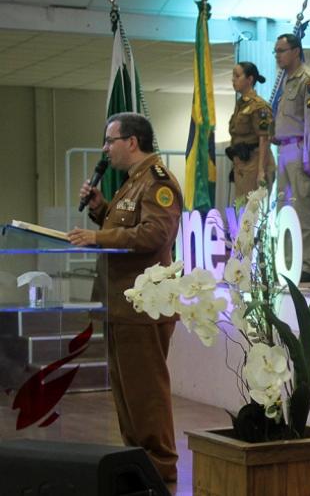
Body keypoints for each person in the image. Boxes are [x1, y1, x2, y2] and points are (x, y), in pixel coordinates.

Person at [68, 113, 182, 483]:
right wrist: (101, 209)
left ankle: (160, 465)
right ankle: (137, 463)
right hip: (121, 305)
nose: (105, 148)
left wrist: (97, 237)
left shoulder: (157, 182)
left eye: (109, 140)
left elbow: (154, 235)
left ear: (131, 142)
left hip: (144, 306)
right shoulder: (130, 183)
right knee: (128, 394)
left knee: (146, 394)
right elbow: (127, 228)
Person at [273, 33, 310, 283]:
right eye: (276, 51)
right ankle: (290, 262)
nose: (277, 56)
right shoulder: (286, 83)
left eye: (281, 51)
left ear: (296, 51)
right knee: (285, 209)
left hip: (300, 149)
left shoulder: (309, 81)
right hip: (284, 149)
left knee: (303, 207)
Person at [228, 61, 275, 201]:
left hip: (254, 163)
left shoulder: (259, 106)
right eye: (233, 76)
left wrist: (261, 171)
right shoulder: (241, 104)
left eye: (237, 76)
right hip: (242, 164)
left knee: (252, 213)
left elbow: (264, 138)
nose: (233, 80)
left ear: (249, 79)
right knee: (242, 212)